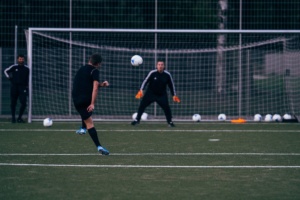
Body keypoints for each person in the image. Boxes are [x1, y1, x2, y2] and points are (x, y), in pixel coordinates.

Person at [72, 53, 109, 155]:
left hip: (76, 99)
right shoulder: (95, 70)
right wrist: (92, 103)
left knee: (85, 112)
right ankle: (99, 146)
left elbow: (88, 84)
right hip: (85, 100)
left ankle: (83, 129)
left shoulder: (82, 69)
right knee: (90, 123)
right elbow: (95, 88)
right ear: (98, 64)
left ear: (90, 60)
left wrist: (102, 84)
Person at [131, 59, 181, 127]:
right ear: (156, 66)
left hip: (162, 95)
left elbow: (171, 85)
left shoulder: (167, 75)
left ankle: (170, 122)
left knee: (167, 108)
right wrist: (141, 90)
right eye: (159, 65)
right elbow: (145, 81)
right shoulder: (152, 73)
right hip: (150, 94)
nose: (160, 66)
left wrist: (174, 95)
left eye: (162, 65)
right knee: (142, 105)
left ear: (164, 66)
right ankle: (137, 120)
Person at [4, 54, 29, 123]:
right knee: (13, 103)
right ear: (18, 60)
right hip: (14, 87)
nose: (21, 60)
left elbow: (27, 79)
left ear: (24, 60)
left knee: (23, 103)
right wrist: (9, 78)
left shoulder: (27, 69)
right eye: (20, 59)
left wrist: (27, 87)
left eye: (22, 59)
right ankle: (13, 118)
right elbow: (5, 71)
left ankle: (19, 118)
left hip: (22, 88)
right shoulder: (14, 67)